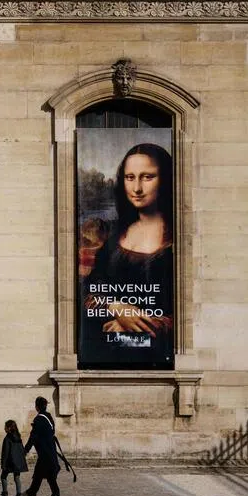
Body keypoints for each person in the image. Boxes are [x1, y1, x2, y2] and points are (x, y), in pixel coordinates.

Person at [80, 142, 174, 366]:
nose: (137, 188)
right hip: (106, 352)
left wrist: (132, 325)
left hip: (160, 355)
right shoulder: (111, 236)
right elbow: (87, 293)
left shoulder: (179, 240)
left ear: (166, 180)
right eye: (130, 177)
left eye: (148, 177)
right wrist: (116, 307)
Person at [23, 396, 60, 496]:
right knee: (39, 473)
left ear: (36, 407)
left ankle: (56, 494)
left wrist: (25, 450)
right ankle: (31, 493)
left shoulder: (39, 419)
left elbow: (33, 437)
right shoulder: (48, 417)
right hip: (50, 449)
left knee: (49, 475)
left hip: (45, 452)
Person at [0, 419, 28, 496]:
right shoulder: (18, 436)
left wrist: (3, 464)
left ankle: (5, 495)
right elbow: (22, 450)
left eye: (5, 427)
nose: (4, 428)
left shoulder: (7, 438)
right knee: (17, 477)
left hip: (9, 461)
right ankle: (18, 495)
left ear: (9, 428)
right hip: (18, 461)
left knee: (3, 476)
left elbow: (5, 452)